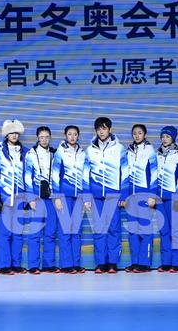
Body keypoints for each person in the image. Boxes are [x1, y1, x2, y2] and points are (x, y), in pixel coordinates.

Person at [84, 117, 128, 274]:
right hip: (96, 197)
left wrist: (123, 196)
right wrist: (87, 197)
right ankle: (100, 263)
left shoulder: (120, 149)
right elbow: (85, 174)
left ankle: (113, 263)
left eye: (104, 128)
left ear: (110, 129)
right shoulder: (89, 150)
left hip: (113, 196)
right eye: (99, 129)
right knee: (99, 230)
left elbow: (125, 173)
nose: (101, 131)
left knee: (113, 229)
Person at [0, 119, 28, 275]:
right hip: (5, 198)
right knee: (5, 233)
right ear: (6, 134)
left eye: (16, 132)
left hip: (20, 198)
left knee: (18, 233)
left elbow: (28, 176)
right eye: (11, 132)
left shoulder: (25, 152)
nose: (14, 135)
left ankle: (16, 264)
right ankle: (4, 265)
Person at [51, 125, 87, 274]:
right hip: (64, 196)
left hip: (79, 197)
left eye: (75, 134)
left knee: (76, 231)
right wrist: (57, 197)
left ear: (78, 136)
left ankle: (75, 263)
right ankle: (66, 265)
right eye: (69, 134)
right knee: (65, 230)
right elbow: (54, 175)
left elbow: (86, 176)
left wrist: (86, 197)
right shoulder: (60, 152)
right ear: (65, 135)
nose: (72, 137)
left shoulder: (83, 153)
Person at [24, 126, 58, 274]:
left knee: (50, 232)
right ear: (37, 138)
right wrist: (30, 198)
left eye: (47, 137)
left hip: (51, 198)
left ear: (50, 137)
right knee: (35, 232)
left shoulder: (55, 154)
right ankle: (33, 265)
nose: (44, 140)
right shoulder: (31, 154)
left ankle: (49, 265)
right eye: (42, 137)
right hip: (36, 198)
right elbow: (27, 177)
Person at [125, 124, 158, 273]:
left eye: (140, 133)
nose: (137, 135)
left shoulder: (150, 150)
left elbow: (155, 173)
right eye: (134, 133)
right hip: (130, 197)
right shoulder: (129, 151)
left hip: (144, 195)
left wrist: (152, 195)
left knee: (145, 229)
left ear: (145, 135)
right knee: (133, 231)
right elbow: (124, 174)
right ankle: (135, 262)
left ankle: (145, 263)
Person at [156, 126, 178, 272]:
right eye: (163, 136)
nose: (164, 139)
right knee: (164, 230)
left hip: (174, 196)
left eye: (167, 136)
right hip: (160, 198)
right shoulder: (157, 153)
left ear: (173, 138)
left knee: (176, 230)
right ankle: (166, 262)